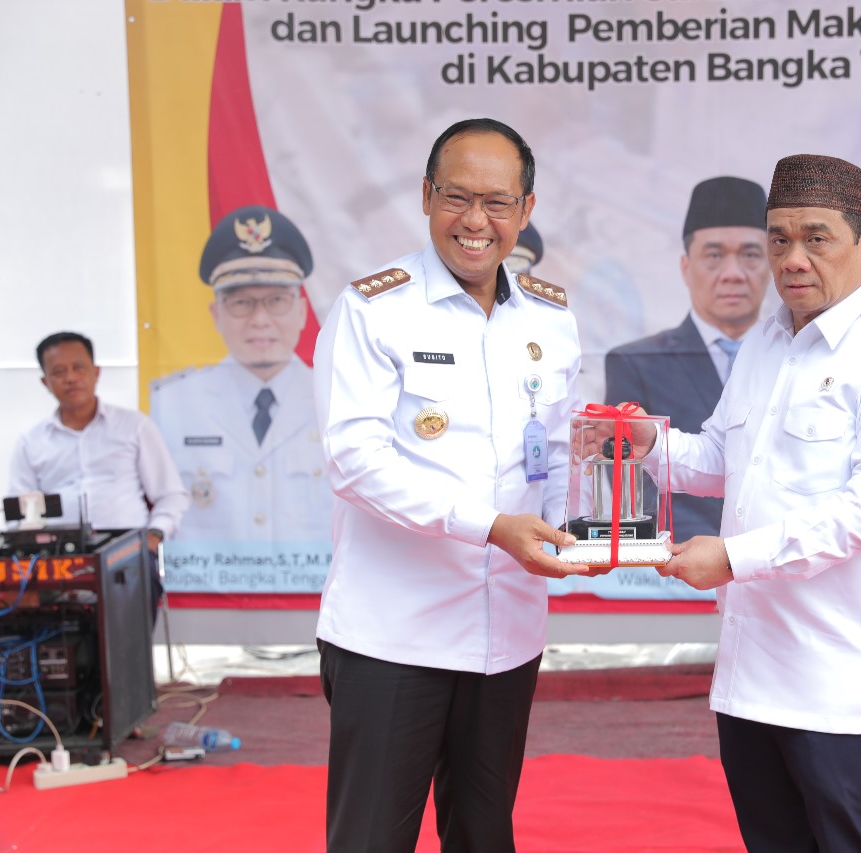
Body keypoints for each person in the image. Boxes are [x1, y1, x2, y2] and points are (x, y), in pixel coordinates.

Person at [654, 156, 861, 851]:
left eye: (816, 238)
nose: (793, 259)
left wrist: (733, 558)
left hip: (843, 689)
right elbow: (719, 459)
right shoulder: (764, 342)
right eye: (779, 239)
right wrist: (643, 444)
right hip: (751, 676)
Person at [312, 118, 589, 852]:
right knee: (371, 840)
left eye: (497, 202)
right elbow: (354, 459)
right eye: (457, 197)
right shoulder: (374, 310)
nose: (475, 221)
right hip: (394, 636)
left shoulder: (552, 318)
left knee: (484, 834)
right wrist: (490, 526)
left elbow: (558, 450)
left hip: (507, 633)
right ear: (426, 196)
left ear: (526, 210)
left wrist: (577, 533)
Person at [149, 205, 333, 543]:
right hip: (210, 577)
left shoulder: (339, 399)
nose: (260, 320)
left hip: (315, 578)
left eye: (276, 301)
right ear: (215, 314)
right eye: (241, 303)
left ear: (302, 311)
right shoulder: (171, 405)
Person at [604, 176, 770, 540]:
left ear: (772, 264)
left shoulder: (795, 362)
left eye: (750, 255)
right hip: (677, 563)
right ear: (685, 267)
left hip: (777, 560)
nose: (733, 274)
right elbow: (631, 488)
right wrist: (712, 553)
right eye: (714, 256)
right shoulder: (636, 363)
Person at [10, 332, 190, 621]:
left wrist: (153, 536)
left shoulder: (134, 427)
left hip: (128, 552)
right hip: (58, 558)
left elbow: (171, 495)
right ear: (45, 382)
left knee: (126, 634)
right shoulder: (31, 442)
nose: (71, 378)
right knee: (30, 616)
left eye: (78, 367)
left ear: (96, 372)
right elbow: (20, 512)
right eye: (59, 372)